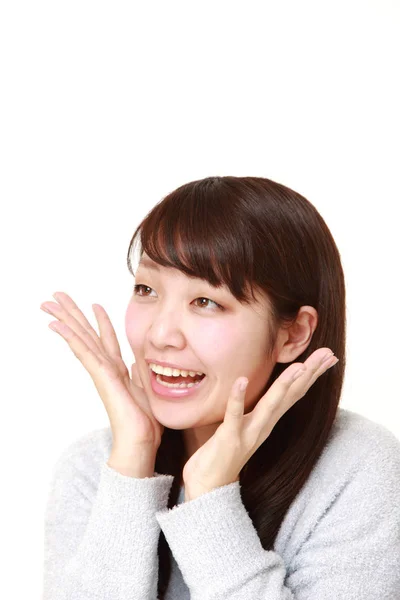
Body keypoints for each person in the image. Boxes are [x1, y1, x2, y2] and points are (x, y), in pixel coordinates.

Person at [41, 175, 400, 599]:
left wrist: (209, 496)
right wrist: (134, 460)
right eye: (146, 289)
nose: (160, 334)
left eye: (205, 301)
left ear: (293, 335)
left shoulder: (356, 469)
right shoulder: (96, 466)